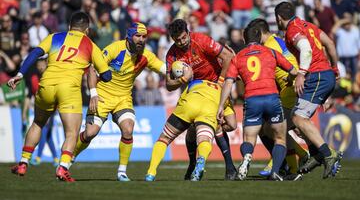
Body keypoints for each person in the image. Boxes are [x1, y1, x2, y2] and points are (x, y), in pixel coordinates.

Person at [8, 12, 112, 182]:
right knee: (72, 133)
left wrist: (20, 74)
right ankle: (63, 168)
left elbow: (35, 53)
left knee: (38, 122)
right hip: (68, 89)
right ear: (87, 30)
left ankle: (23, 162)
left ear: (70, 26)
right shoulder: (91, 45)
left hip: (46, 84)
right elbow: (107, 76)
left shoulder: (54, 36)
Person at [71, 22, 166, 182]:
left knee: (128, 130)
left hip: (123, 99)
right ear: (129, 37)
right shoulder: (114, 49)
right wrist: (93, 93)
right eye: (138, 36)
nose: (142, 40)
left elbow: (165, 69)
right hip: (102, 96)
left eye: (144, 37)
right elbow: (93, 70)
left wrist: (182, 71)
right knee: (90, 133)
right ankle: (70, 156)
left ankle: (122, 172)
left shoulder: (146, 56)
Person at [145, 19, 235, 181]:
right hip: (194, 90)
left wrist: (221, 82)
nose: (181, 42)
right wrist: (182, 80)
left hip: (216, 87)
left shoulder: (201, 40)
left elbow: (228, 56)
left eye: (183, 37)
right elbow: (169, 84)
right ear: (172, 38)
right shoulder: (172, 54)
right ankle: (226, 167)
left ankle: (199, 164)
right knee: (210, 127)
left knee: (232, 124)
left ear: (188, 32)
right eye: (176, 40)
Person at [217, 24, 298, 181]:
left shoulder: (238, 57)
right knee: (280, 139)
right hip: (272, 98)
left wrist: (221, 105)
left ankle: (247, 156)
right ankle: (275, 171)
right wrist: (290, 79)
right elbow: (294, 71)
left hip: (252, 100)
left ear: (244, 38)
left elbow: (228, 82)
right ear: (260, 37)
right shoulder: (271, 52)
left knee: (249, 139)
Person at [275, 1, 342, 179]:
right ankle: (317, 153)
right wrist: (335, 69)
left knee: (298, 118)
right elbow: (329, 43)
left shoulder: (292, 29)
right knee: (298, 122)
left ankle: (328, 154)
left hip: (316, 75)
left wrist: (301, 74)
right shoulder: (308, 25)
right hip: (325, 74)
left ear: (278, 18)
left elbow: (305, 48)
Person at [247, 19, 309, 178]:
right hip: (290, 87)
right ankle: (300, 157)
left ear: (259, 34)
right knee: (273, 128)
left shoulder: (267, 48)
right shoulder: (277, 40)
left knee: (272, 128)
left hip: (290, 88)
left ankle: (281, 164)